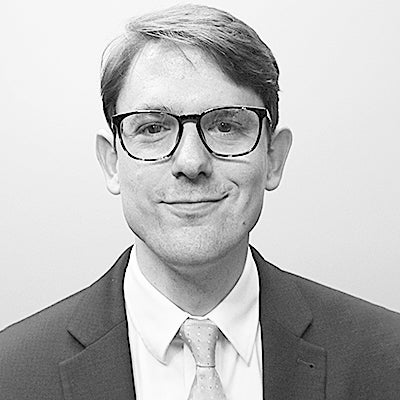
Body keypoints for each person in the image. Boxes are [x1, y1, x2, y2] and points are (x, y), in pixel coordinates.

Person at [1, 4, 399, 399]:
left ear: (274, 158)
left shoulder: (387, 359)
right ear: (111, 163)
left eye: (225, 125)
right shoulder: (11, 373)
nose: (191, 162)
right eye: (152, 128)